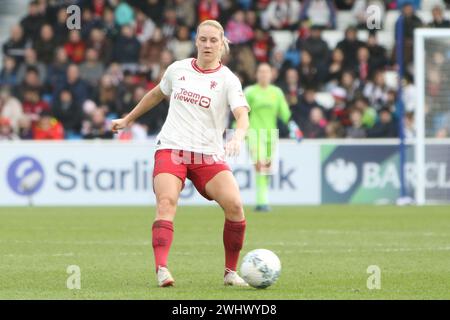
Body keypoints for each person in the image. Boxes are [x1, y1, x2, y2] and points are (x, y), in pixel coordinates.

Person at [111, 20, 250, 288]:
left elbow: (242, 114)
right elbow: (156, 94)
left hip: (207, 153)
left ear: (222, 45)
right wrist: (128, 119)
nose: (208, 45)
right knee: (166, 202)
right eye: (203, 39)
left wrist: (239, 135)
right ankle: (162, 268)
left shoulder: (228, 80)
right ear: (196, 41)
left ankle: (230, 273)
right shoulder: (178, 69)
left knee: (235, 206)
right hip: (172, 148)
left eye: (213, 41)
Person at [244, 63, 292, 212]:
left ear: (272, 75)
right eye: (261, 72)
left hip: (271, 134)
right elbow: (241, 112)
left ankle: (263, 199)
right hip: (254, 133)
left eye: (266, 72)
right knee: (261, 165)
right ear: (256, 74)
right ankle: (262, 202)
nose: (263, 74)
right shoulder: (250, 92)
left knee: (267, 169)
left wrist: (294, 128)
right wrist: (239, 131)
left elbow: (285, 114)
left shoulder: (276, 92)